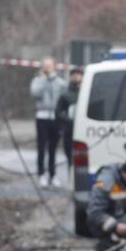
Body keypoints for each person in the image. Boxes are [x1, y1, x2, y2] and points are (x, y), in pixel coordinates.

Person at [30, 57, 66, 187]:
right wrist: (44, 80)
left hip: (55, 118)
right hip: (42, 116)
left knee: (53, 148)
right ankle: (41, 174)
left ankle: (53, 174)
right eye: (45, 66)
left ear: (54, 67)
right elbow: (35, 93)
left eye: (49, 66)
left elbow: (63, 97)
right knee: (41, 147)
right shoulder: (37, 81)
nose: (47, 69)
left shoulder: (60, 82)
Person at [54, 67, 83, 177]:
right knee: (70, 157)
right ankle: (71, 179)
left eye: (78, 74)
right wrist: (68, 120)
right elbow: (58, 112)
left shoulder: (87, 92)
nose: (76, 76)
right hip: (69, 130)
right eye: (74, 74)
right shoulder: (65, 94)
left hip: (83, 130)